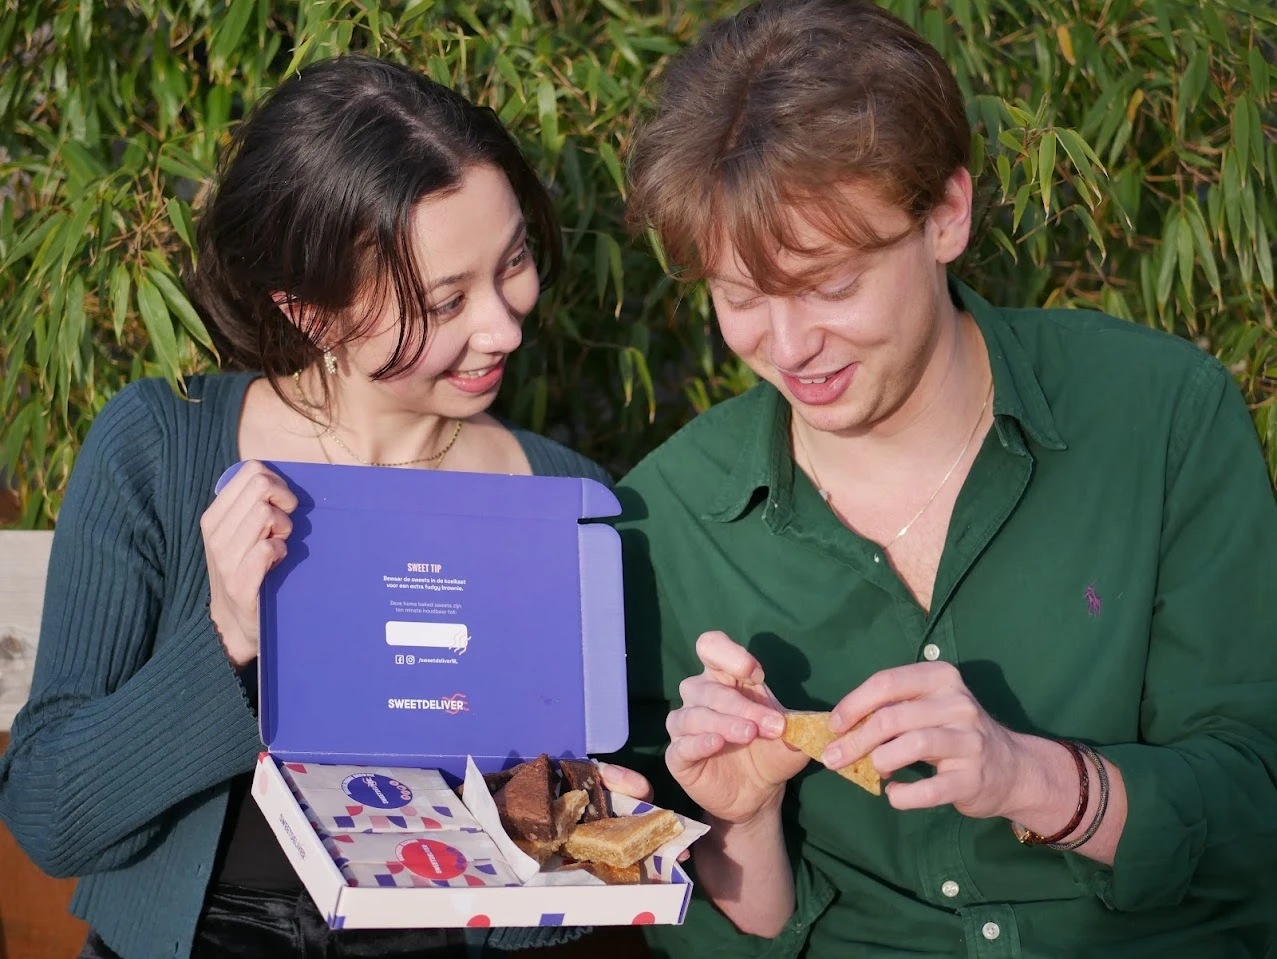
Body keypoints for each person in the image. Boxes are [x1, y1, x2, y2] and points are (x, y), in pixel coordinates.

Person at [612, 1, 1277, 956]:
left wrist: (1031, 777)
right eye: (741, 296)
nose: (789, 347)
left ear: (946, 216)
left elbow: (1255, 796)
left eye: (831, 284)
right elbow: (703, 926)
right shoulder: (667, 516)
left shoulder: (1160, 416)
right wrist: (740, 818)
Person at [0, 55, 652, 959]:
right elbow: (49, 817)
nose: (504, 325)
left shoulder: (560, 505)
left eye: (514, 260)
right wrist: (226, 637)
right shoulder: (159, 447)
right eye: (444, 301)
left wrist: (580, 841)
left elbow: (530, 917)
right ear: (310, 312)